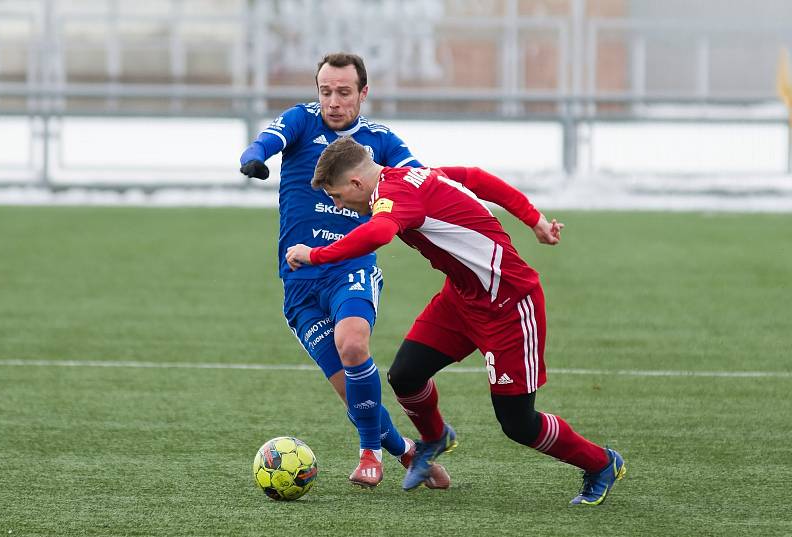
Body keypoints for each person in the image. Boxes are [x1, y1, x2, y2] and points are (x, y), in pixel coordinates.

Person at [285, 136, 627, 506]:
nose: (337, 204)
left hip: (509, 304)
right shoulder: (410, 177)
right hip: (462, 299)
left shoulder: (395, 196)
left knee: (518, 424)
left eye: (336, 196)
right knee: (405, 376)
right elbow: (475, 177)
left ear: (355, 183)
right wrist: (535, 220)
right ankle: (435, 438)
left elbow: (380, 233)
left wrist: (316, 255)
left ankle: (601, 463)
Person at [239, 53, 449, 489]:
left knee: (353, 344)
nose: (333, 102)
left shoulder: (380, 140)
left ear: (363, 93)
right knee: (350, 391)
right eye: (325, 91)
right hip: (298, 282)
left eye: (344, 92)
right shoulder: (300, 120)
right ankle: (407, 452)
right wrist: (254, 158)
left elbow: (420, 180)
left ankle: (368, 452)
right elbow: (266, 140)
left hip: (350, 267)